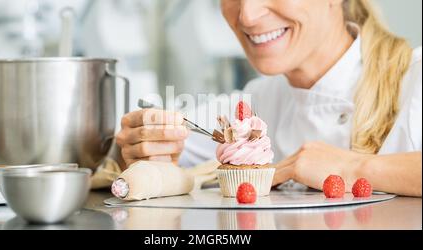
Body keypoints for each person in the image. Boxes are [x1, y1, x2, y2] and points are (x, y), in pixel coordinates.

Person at [116, 0, 422, 197]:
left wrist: (354, 168)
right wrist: (145, 147)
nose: (247, 15)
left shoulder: (416, 79)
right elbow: (154, 149)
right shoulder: (256, 102)